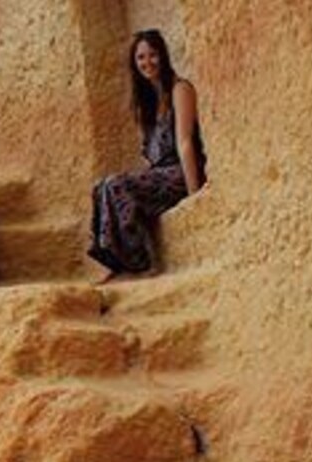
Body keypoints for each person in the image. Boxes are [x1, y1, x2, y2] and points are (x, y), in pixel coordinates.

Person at [88, 29, 207, 283]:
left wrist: (194, 193)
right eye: (141, 58)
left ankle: (139, 264)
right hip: (160, 173)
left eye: (152, 55)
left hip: (180, 172)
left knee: (116, 184)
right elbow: (152, 157)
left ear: (163, 56)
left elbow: (185, 142)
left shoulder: (180, 89)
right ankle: (119, 263)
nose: (147, 62)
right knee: (101, 187)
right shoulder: (149, 101)